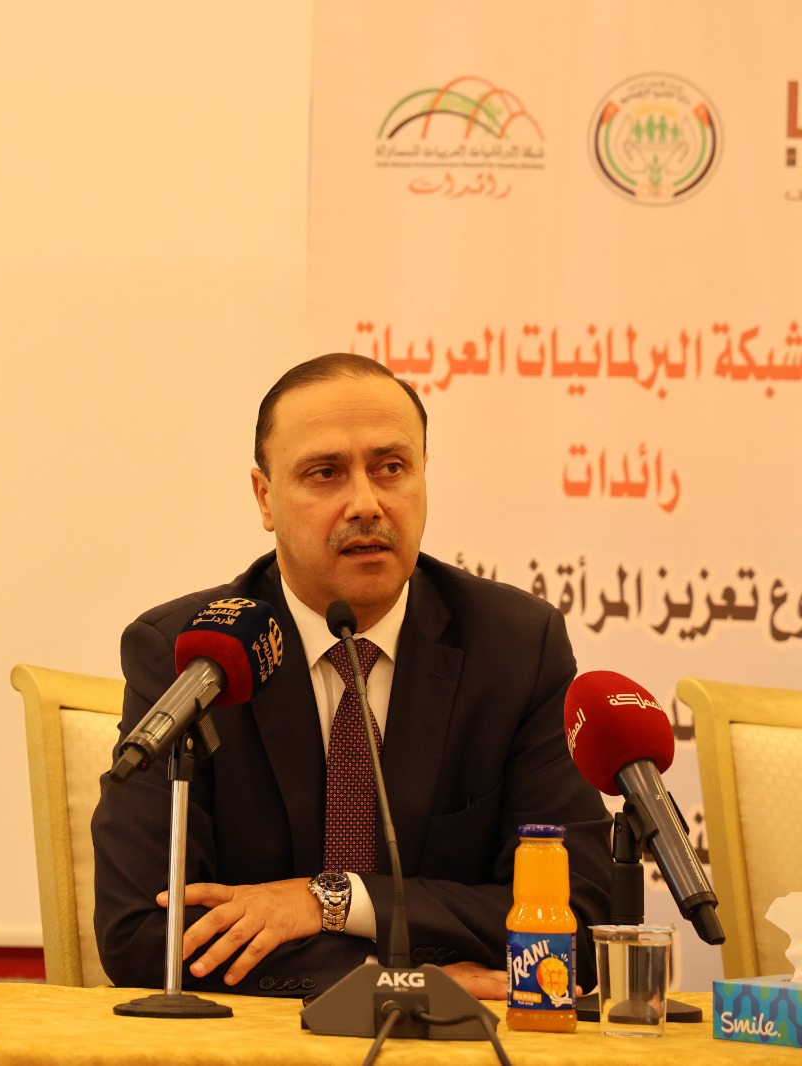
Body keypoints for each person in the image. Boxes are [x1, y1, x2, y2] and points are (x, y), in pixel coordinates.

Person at [91, 353, 611, 1001]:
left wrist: (332, 900)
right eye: (325, 473)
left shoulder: (514, 646)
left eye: (391, 467)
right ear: (265, 498)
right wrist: (391, 983)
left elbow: (582, 915)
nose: (366, 503)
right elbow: (143, 933)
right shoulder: (191, 654)